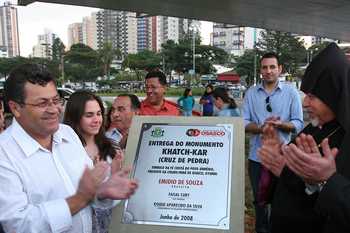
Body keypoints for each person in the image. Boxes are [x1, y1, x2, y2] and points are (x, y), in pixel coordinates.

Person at [0, 63, 138, 233]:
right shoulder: (4, 154)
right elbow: (18, 225)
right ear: (15, 108)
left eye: (56, 100)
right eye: (42, 103)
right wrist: (79, 199)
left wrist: (102, 191)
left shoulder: (67, 134)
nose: (54, 110)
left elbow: (90, 193)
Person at [258, 43, 350, 233]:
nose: (305, 102)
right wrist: (282, 159)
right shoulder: (316, 128)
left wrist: (327, 180)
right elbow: (297, 183)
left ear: (334, 96)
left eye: (312, 96)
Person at [242, 52, 304, 233]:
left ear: (280, 69)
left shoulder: (291, 93)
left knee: (282, 200)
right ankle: (261, 229)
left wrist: (281, 125)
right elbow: (243, 122)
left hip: (283, 157)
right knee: (259, 201)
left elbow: (299, 124)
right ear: (260, 70)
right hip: (257, 157)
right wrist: (261, 128)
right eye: (264, 67)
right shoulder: (251, 93)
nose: (268, 71)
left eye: (272, 67)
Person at [63, 90, 123, 233]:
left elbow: (116, 193)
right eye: (89, 115)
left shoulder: (112, 146)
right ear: (75, 117)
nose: (96, 120)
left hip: (107, 224)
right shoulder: (63, 149)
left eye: (99, 113)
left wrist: (116, 173)